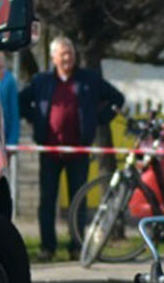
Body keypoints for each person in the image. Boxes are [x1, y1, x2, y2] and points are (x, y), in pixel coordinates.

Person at [19, 36, 104, 260]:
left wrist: (97, 119)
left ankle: (76, 246)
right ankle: (48, 247)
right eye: (64, 54)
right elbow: (21, 101)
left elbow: (116, 98)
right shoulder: (41, 81)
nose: (68, 58)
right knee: (47, 200)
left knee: (79, 200)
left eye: (71, 54)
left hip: (78, 151)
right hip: (50, 151)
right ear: (54, 57)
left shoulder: (88, 80)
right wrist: (35, 119)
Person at [0, 52, 21, 149]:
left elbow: (14, 113)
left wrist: (13, 141)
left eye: (4, 67)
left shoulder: (10, 81)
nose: (2, 71)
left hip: (5, 137)